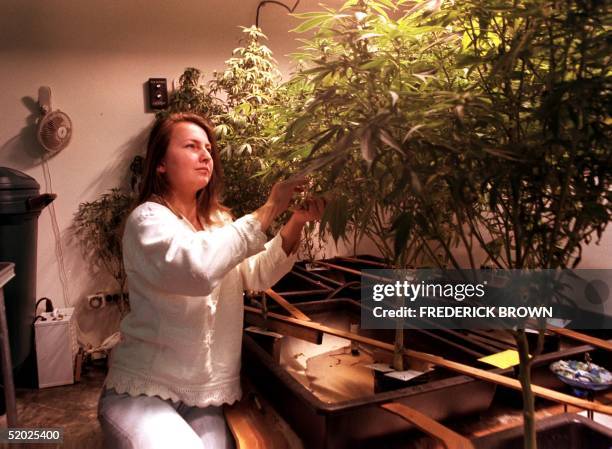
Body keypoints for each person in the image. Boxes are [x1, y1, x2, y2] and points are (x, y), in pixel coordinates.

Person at [97, 112, 324, 449]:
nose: (205, 155)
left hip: (202, 395)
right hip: (142, 390)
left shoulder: (219, 222)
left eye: (208, 148)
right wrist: (271, 206)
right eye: (191, 146)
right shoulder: (147, 220)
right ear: (160, 163)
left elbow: (257, 274)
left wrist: (295, 222)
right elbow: (198, 270)